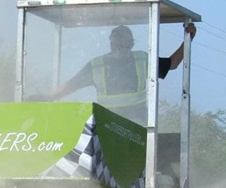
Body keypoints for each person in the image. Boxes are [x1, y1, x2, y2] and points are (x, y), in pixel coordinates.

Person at [33, 22, 197, 124]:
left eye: (123, 41)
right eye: (116, 40)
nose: (119, 44)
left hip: (136, 125)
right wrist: (48, 98)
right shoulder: (97, 64)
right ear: (111, 42)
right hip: (106, 124)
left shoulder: (142, 59)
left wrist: (188, 39)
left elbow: (173, 64)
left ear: (131, 43)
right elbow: (71, 85)